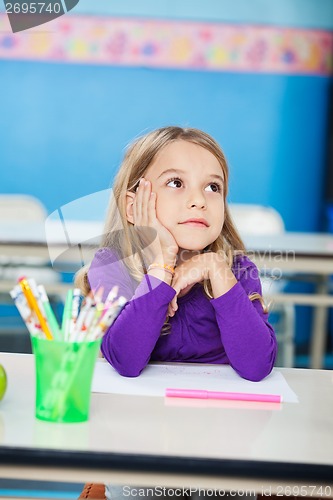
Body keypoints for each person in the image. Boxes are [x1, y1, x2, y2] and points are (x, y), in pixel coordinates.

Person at [75, 126, 277, 500]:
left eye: (212, 187)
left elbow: (256, 365)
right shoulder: (113, 267)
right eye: (175, 183)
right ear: (134, 206)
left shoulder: (238, 270)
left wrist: (216, 271)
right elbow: (126, 360)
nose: (199, 200)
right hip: (140, 454)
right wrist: (161, 269)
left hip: (225, 456)